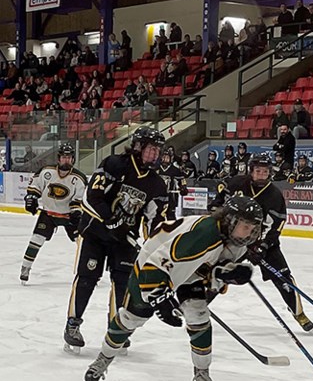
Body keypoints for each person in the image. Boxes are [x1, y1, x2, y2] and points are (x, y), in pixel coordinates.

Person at [82, 196, 265, 381]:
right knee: (132, 318)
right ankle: (103, 359)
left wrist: (225, 274)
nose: (249, 233)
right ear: (230, 220)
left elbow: (207, 267)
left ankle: (202, 372)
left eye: (252, 228)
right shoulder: (204, 234)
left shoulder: (235, 242)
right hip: (151, 269)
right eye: (245, 226)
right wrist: (160, 299)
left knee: (199, 315)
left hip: (188, 272)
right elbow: (156, 265)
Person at [64, 126, 170, 353]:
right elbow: (92, 197)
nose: (154, 155)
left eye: (157, 151)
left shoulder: (156, 184)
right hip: (95, 234)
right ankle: (72, 324)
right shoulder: (115, 164)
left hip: (124, 240)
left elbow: (155, 221)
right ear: (139, 146)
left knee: (123, 283)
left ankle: (116, 330)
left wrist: (157, 246)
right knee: (87, 277)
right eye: (151, 149)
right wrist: (111, 221)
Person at [208, 154, 313, 332]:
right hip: (234, 242)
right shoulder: (237, 183)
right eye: (258, 171)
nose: (262, 175)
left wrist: (263, 246)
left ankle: (299, 313)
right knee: (219, 271)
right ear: (251, 171)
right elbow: (216, 205)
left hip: (262, 244)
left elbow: (276, 226)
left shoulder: (275, 195)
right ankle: (200, 303)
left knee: (283, 278)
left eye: (265, 172)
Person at [20, 144, 87, 284]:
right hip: (48, 214)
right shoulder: (46, 172)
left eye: (69, 158)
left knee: (83, 243)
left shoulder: (79, 178)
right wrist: (31, 198)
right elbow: (35, 187)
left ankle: (88, 273)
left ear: (73, 159)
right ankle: (25, 268)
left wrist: (76, 211)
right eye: (63, 157)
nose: (66, 160)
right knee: (36, 239)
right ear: (58, 159)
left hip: (69, 216)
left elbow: (79, 199)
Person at [157, 146, 189, 220]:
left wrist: (183, 187)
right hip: (157, 197)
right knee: (157, 216)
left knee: (171, 216)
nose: (165, 160)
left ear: (171, 159)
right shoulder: (156, 169)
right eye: (164, 157)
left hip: (171, 197)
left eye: (167, 158)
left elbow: (182, 179)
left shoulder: (175, 170)